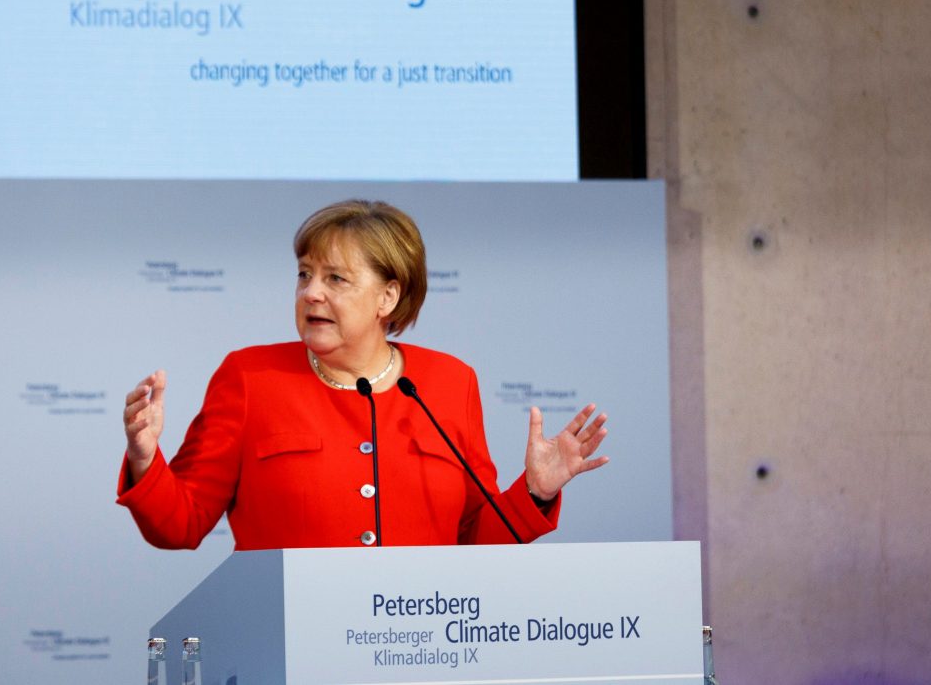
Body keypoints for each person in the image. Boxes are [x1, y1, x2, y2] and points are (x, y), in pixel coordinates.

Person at [117, 199, 608, 550]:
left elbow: (474, 540)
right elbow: (180, 526)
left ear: (388, 297)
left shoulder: (449, 382)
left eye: (336, 278)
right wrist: (145, 458)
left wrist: (535, 491)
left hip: (417, 644)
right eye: (305, 274)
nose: (311, 292)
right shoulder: (250, 377)